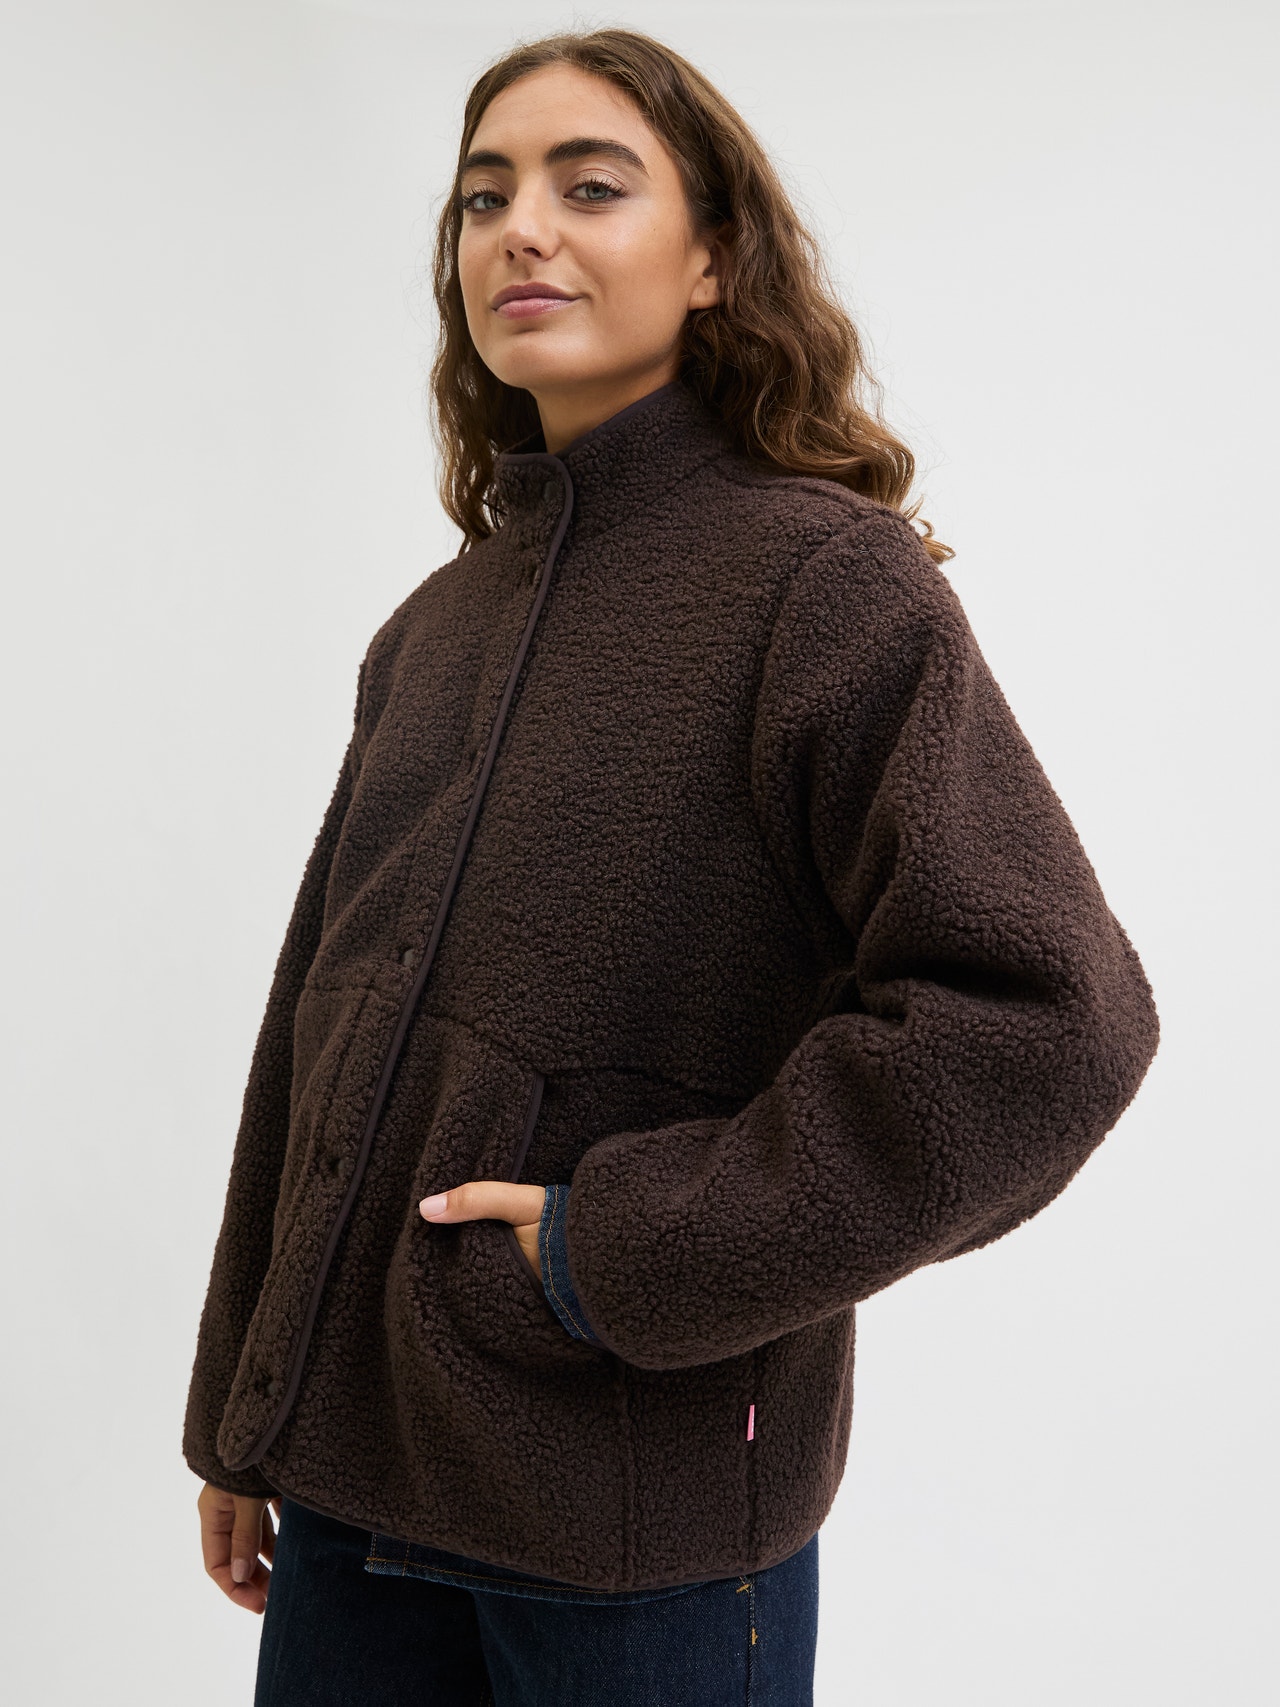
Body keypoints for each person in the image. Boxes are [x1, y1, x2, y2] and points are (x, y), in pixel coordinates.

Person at [183, 26, 1161, 1706]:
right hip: (345, 1503)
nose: (520, 229)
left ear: (714, 258)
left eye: (591, 186)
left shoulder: (824, 586)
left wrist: (615, 1252)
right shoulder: (432, 628)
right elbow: (313, 1034)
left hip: (634, 1524)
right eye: (484, 196)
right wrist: (241, 1408)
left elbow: (1045, 1021)